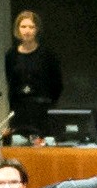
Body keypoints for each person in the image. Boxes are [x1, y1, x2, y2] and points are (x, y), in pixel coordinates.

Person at [4, 11, 62, 141]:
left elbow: (57, 84)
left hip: (42, 111)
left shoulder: (47, 54)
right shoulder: (11, 55)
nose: (27, 31)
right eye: (23, 26)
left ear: (37, 29)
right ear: (17, 29)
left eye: (31, 27)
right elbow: (11, 82)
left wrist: (47, 102)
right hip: (19, 111)